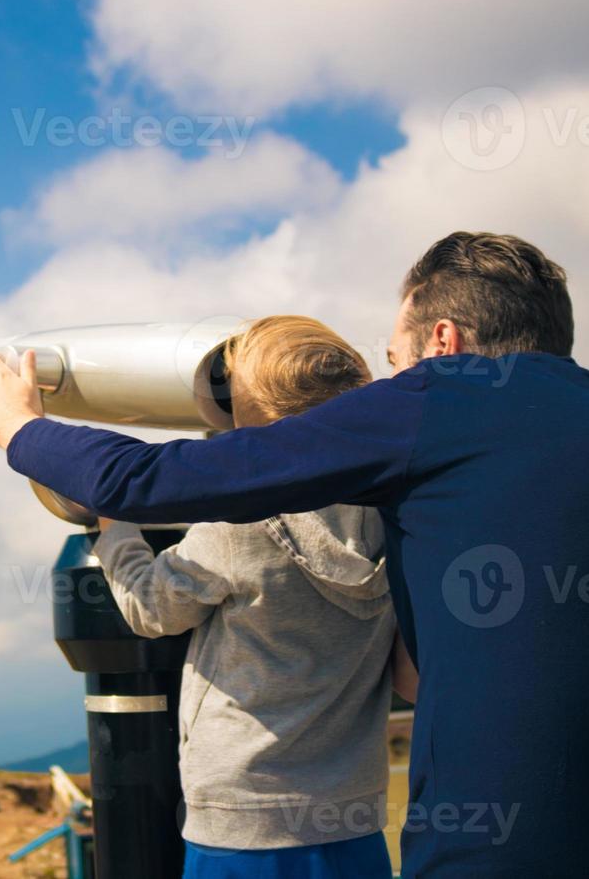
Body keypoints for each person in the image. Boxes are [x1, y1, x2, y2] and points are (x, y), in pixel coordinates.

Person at [0, 233, 589, 877]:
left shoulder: (440, 403)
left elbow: (158, 482)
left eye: (397, 357)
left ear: (444, 341)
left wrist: (21, 430)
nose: (387, 383)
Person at [92, 315, 397, 878]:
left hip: (244, 819)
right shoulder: (394, 507)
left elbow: (150, 608)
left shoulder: (239, 520)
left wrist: (115, 531)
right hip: (351, 812)